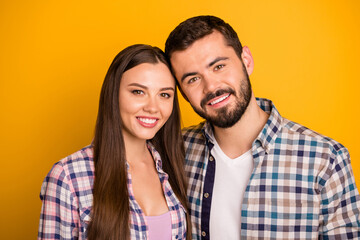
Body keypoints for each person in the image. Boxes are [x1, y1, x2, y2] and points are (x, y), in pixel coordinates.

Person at [165, 15, 360, 239]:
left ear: (246, 61)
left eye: (219, 66)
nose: (211, 87)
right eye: (193, 79)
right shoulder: (175, 151)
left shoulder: (326, 160)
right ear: (182, 92)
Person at [38, 44, 191, 240]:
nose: (153, 107)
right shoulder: (67, 177)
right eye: (138, 92)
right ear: (113, 94)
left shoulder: (176, 164)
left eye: (164, 95)